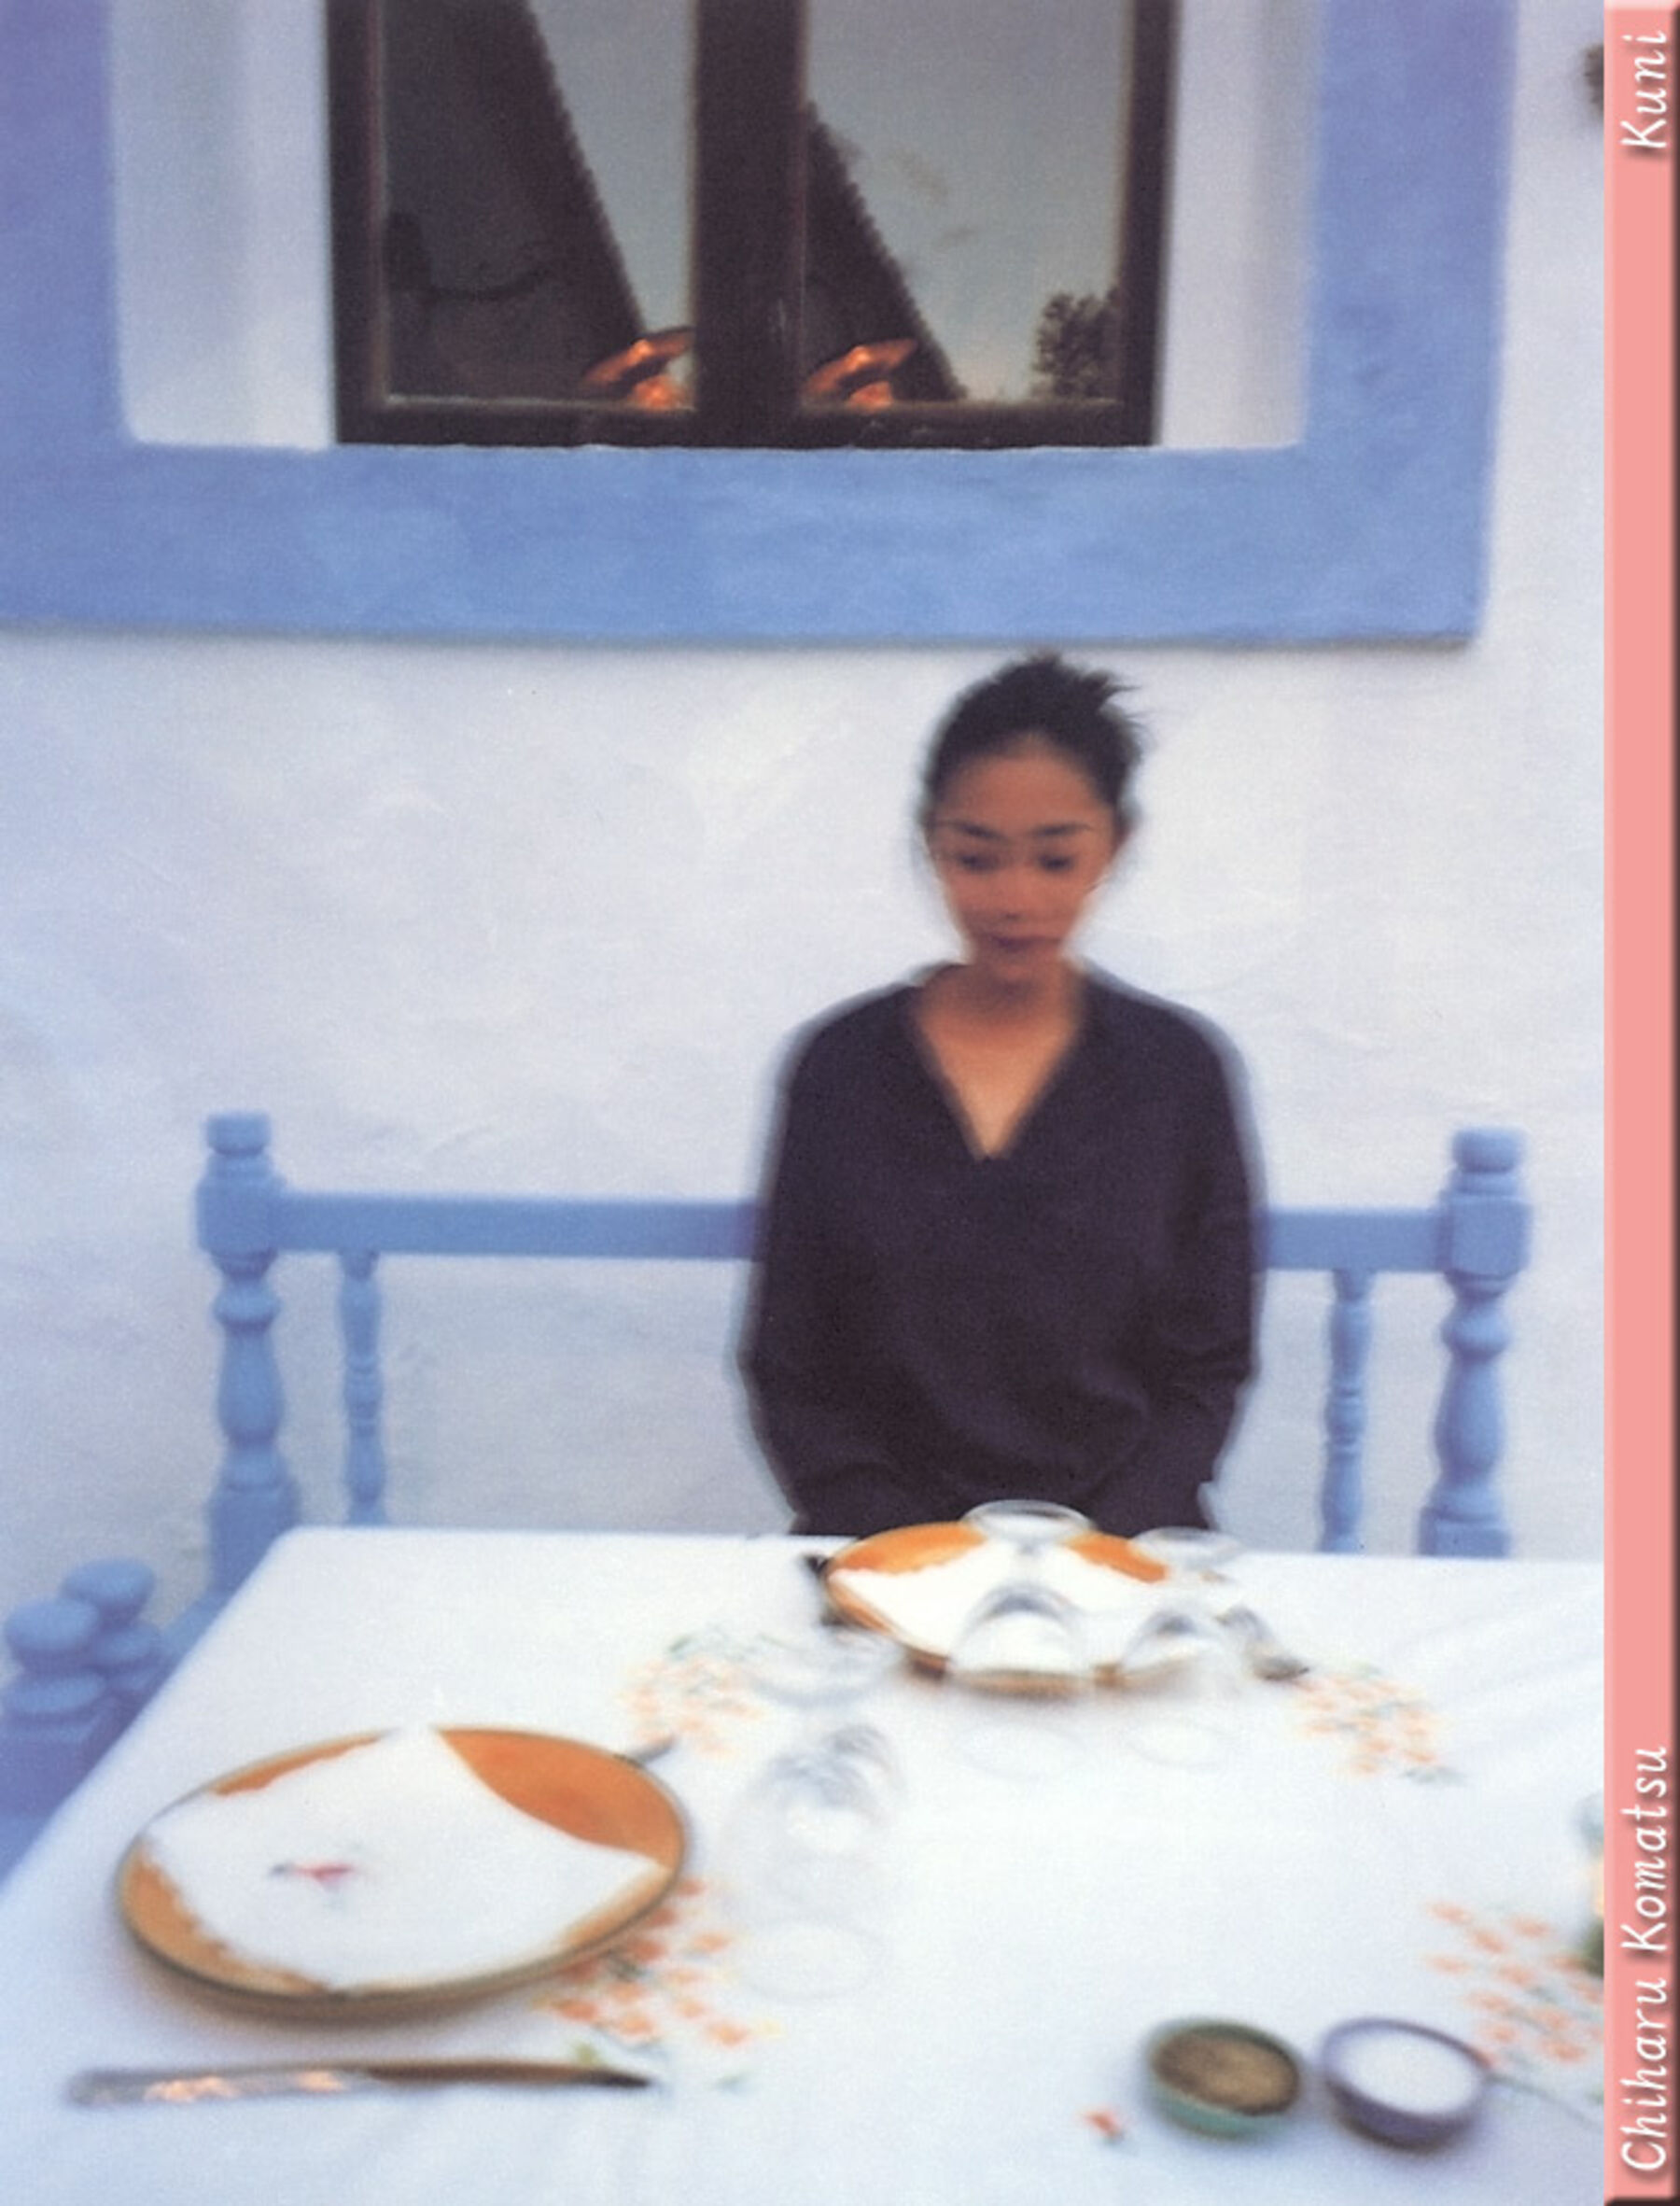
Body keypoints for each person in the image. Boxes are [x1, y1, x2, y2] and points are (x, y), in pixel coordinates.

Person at [739, 653, 1259, 1539]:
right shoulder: (841, 1069)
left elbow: (1206, 1368)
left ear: (1114, 845)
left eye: (1056, 859)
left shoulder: (1176, 1075)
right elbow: (791, 1366)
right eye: (977, 858)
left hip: (1120, 1555)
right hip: (885, 1555)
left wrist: (1094, 1555)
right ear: (932, 844)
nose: (1016, 899)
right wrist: (909, 1552)